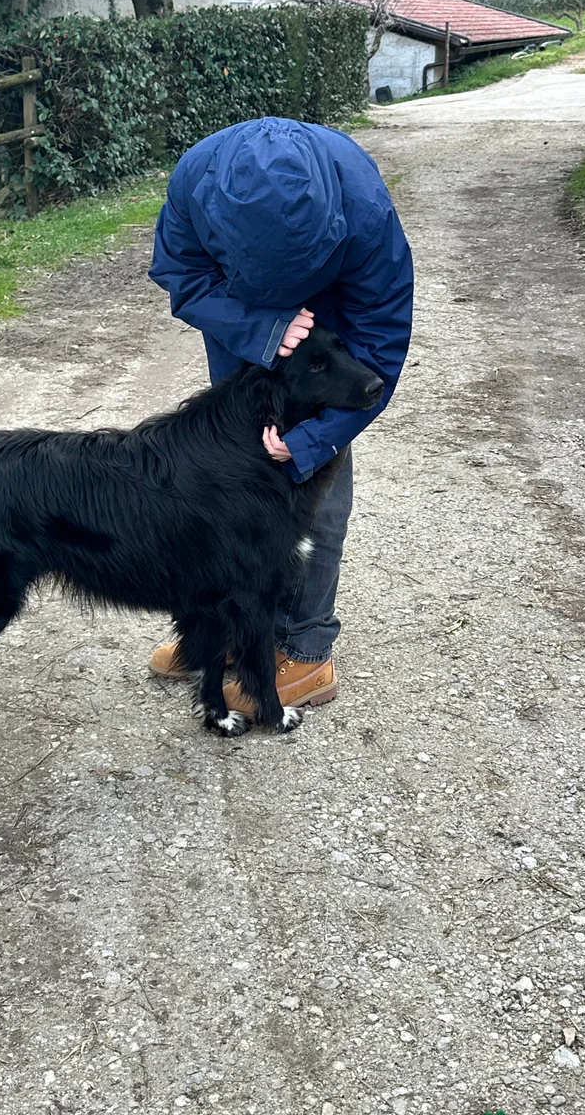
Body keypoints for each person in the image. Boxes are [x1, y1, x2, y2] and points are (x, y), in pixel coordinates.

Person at [147, 115, 413, 716]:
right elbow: (182, 276)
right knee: (229, 480)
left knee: (313, 489)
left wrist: (316, 441)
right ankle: (223, 635)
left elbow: (379, 348)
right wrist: (259, 327)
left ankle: (306, 648)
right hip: (241, 328)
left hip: (329, 331)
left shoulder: (365, 210)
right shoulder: (196, 180)